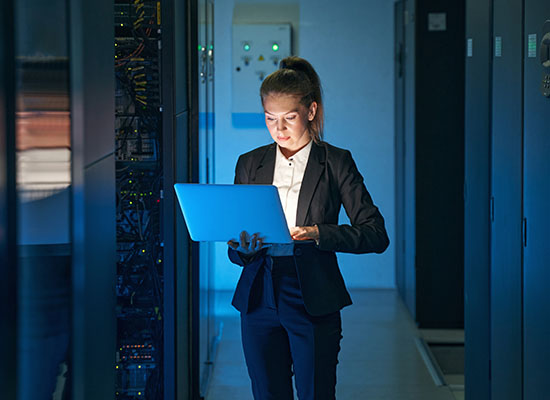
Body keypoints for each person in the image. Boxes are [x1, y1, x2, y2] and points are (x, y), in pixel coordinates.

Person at [227, 56, 389, 400]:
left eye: (290, 117)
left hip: (311, 292)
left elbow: (375, 233)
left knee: (316, 393)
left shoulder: (335, 162)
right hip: (258, 294)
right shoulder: (250, 163)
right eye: (270, 119)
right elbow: (235, 251)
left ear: (311, 111)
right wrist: (243, 246)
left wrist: (319, 233)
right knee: (267, 393)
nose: (279, 128)